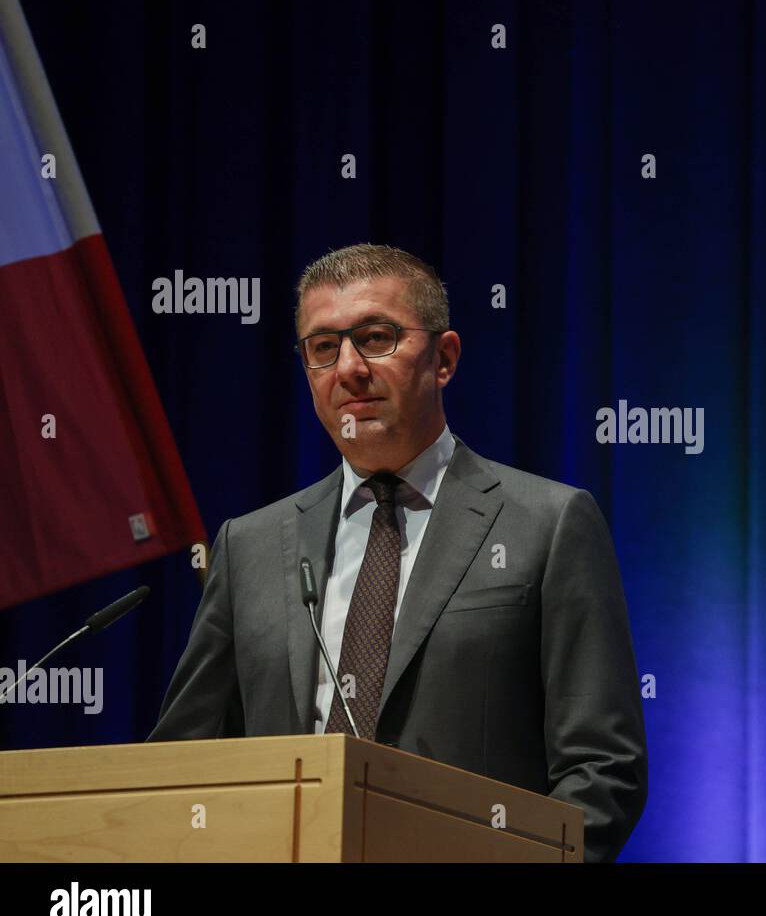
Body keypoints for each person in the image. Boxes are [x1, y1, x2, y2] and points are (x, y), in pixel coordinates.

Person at [150, 243, 648, 862]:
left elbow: (603, 768)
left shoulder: (548, 524)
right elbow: (184, 763)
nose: (349, 369)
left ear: (444, 358)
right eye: (323, 348)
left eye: (377, 338)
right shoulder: (249, 544)